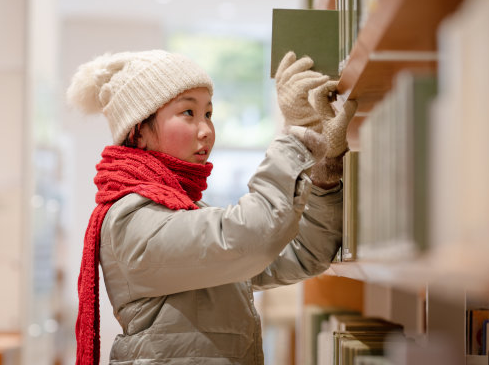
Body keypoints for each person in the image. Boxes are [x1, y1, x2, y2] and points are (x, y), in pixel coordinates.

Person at [66, 49, 357, 364]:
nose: (206, 130)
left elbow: (304, 255)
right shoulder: (132, 217)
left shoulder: (185, 209)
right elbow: (253, 240)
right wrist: (296, 138)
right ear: (137, 130)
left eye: (208, 114)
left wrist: (324, 172)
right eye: (188, 113)